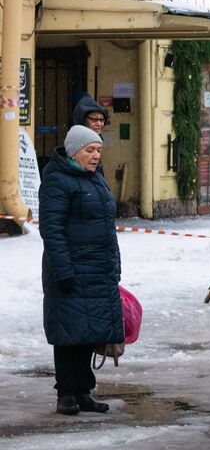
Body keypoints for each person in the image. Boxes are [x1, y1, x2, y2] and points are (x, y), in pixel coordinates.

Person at [39, 125, 122, 416]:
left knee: (90, 331)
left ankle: (84, 390)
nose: (95, 155)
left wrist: (114, 266)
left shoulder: (96, 178)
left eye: (98, 150)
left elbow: (106, 229)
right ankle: (66, 394)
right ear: (74, 151)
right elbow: (52, 229)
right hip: (71, 268)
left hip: (97, 269)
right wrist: (63, 270)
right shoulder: (57, 180)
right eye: (89, 150)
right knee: (68, 333)